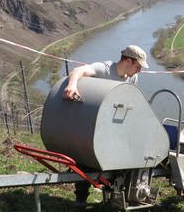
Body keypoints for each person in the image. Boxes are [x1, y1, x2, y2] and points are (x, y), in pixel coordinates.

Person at [62, 44, 149, 206]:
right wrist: (72, 84)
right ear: (128, 61)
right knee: (86, 161)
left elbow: (131, 98)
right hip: (93, 124)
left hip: (115, 124)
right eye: (138, 67)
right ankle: (81, 199)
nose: (139, 71)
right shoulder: (105, 69)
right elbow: (78, 71)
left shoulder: (133, 78)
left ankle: (116, 195)